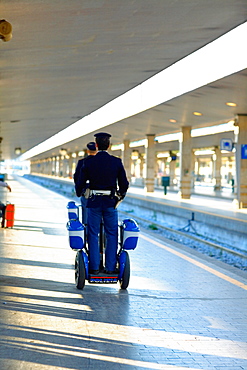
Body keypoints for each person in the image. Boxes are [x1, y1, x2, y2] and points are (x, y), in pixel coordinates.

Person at [75, 132, 129, 275]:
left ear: (97, 145)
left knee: (93, 233)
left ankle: (94, 267)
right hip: (110, 202)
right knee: (112, 233)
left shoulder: (88, 162)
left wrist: (79, 191)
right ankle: (110, 268)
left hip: (93, 202)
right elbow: (124, 183)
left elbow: (80, 182)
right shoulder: (116, 162)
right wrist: (121, 195)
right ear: (109, 145)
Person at [73, 142, 97, 223]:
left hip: (86, 192)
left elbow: (77, 177)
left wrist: (79, 191)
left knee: (86, 215)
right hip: (100, 193)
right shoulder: (102, 162)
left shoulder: (82, 162)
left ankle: (87, 233)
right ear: (97, 150)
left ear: (88, 151)